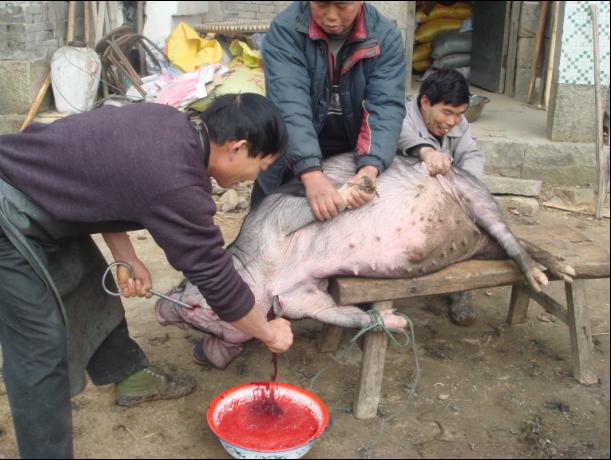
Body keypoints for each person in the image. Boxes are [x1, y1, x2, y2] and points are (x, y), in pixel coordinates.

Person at [0, 93, 292, 459]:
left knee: (90, 289)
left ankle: (131, 376)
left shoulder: (168, 124)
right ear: (237, 148)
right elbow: (217, 280)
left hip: (38, 196)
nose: (255, 177)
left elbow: (104, 177)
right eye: (261, 167)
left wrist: (126, 256)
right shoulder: (178, 182)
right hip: (8, 212)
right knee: (39, 347)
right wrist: (268, 332)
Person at [251, 1, 406, 220]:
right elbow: (289, 103)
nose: (331, 16)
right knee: (264, 219)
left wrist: (370, 167)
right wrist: (310, 172)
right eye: (321, 4)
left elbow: (385, 106)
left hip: (353, 148)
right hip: (290, 147)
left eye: (342, 5)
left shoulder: (385, 37)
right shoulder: (286, 30)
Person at [397, 69, 486, 326]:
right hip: (407, 202)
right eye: (446, 112)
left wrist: (467, 186)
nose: (452, 121)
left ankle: (460, 290)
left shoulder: (460, 123)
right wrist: (426, 152)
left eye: (459, 114)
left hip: (446, 198)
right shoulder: (401, 116)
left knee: (471, 228)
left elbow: (472, 154)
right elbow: (400, 135)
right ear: (425, 102)